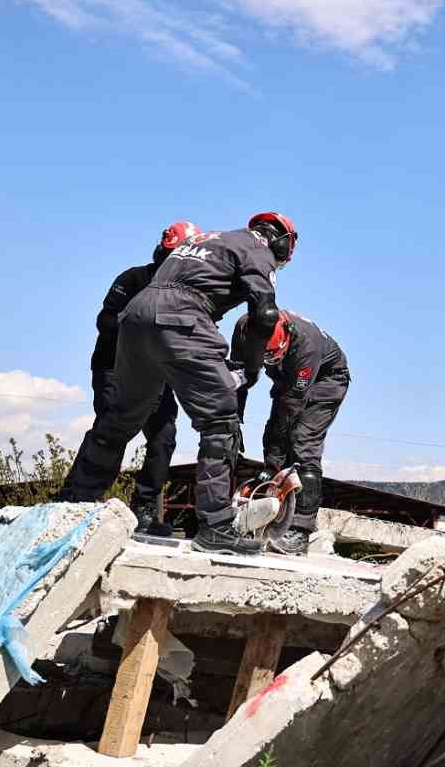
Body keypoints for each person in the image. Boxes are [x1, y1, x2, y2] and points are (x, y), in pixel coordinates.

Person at [57, 212, 297, 555]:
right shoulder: (257, 247)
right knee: (219, 421)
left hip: (137, 319)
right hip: (183, 316)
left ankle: (71, 505)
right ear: (281, 242)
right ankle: (215, 526)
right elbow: (265, 315)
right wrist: (251, 369)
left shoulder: (207, 238)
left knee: (118, 419)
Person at [89, 220, 199, 537]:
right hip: (115, 369)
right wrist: (142, 326)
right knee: (111, 433)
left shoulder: (186, 292)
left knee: (164, 438)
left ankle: (145, 509)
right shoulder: (134, 278)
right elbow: (105, 321)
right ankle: (87, 500)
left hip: (156, 375)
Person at [233, 310, 350, 555]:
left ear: (286, 335)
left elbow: (291, 404)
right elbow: (239, 376)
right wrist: (234, 419)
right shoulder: (244, 330)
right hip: (289, 377)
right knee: (273, 433)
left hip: (327, 379)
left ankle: (299, 530)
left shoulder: (306, 345)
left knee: (301, 441)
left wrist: (274, 461)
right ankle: (269, 514)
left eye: (274, 356)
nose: (269, 361)